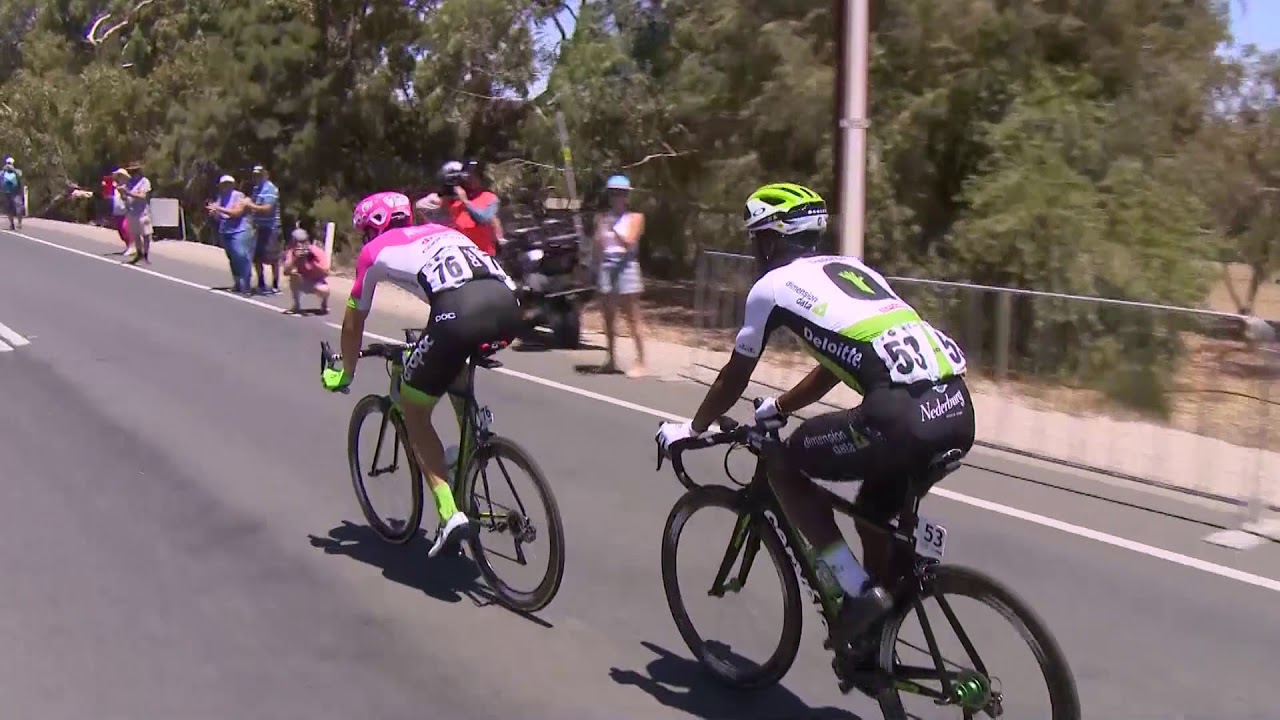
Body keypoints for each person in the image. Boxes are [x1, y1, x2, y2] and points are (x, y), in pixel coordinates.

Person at [655, 183, 975, 656]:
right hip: (956, 409)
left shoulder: (772, 287)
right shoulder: (852, 269)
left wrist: (693, 428)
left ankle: (856, 592)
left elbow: (734, 376)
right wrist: (782, 406)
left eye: (756, 238)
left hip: (899, 417)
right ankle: (878, 640)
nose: (754, 249)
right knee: (872, 517)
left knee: (783, 463)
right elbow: (836, 364)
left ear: (772, 238)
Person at [321, 191, 523, 558]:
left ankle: (448, 513)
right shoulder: (441, 232)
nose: (365, 238)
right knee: (451, 362)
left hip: (458, 316)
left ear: (373, 227)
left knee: (415, 410)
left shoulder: (374, 252)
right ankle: (472, 449)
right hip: (508, 306)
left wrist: (345, 372)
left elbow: (354, 321)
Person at [594, 174, 648, 376]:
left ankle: (641, 361)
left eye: (621, 193)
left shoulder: (635, 217)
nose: (617, 197)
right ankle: (610, 359)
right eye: (613, 193)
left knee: (633, 317)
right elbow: (599, 247)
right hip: (607, 267)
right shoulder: (602, 218)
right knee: (608, 318)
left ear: (627, 196)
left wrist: (612, 229)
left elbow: (629, 242)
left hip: (626, 267)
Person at [440, 160, 501, 256]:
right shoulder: (454, 202)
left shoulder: (489, 198)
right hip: (463, 258)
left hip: (485, 256)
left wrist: (465, 202)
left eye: (474, 176)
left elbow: (483, 218)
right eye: (468, 176)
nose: (471, 179)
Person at [206, 174, 253, 292]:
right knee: (232, 258)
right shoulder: (221, 197)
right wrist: (214, 213)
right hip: (226, 231)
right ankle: (237, 282)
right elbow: (219, 217)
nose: (226, 186)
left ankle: (246, 282)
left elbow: (236, 213)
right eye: (224, 184)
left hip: (240, 230)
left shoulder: (238, 196)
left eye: (228, 184)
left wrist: (219, 209)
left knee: (241, 255)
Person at [245, 165, 283, 295]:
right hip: (259, 227)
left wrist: (250, 205)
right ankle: (261, 282)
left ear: (266, 175)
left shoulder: (270, 188)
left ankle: (275, 284)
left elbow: (267, 208)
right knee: (256, 257)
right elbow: (253, 207)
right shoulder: (256, 189)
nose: (257, 177)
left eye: (259, 175)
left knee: (273, 258)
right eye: (255, 175)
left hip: (271, 228)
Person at [281, 227, 331, 315]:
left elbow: (326, 271)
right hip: (303, 280)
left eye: (303, 241)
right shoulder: (292, 253)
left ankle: (324, 305)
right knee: (294, 275)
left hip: (317, 281)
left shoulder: (316, 251)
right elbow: (285, 272)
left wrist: (312, 261)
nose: (300, 244)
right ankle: (296, 305)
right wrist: (295, 259)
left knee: (325, 290)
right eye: (297, 242)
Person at [119, 161, 153, 264]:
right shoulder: (129, 183)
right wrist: (123, 194)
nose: (132, 173)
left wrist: (128, 193)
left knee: (146, 234)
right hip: (132, 211)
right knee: (136, 234)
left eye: (134, 171)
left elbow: (142, 196)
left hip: (142, 212)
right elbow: (125, 197)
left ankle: (146, 254)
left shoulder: (144, 182)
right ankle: (139, 253)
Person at [2, 157, 25, 230]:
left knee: (14, 209)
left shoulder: (15, 171)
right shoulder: (4, 172)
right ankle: (15, 223)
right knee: (14, 208)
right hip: (12, 193)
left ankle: (16, 224)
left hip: (11, 193)